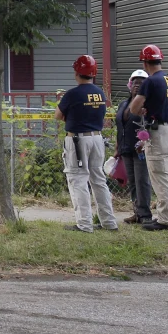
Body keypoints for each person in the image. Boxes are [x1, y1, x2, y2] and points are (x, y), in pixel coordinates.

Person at [55, 54, 118, 232]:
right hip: (97, 139)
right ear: (93, 73)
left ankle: (84, 223)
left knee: (78, 180)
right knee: (98, 180)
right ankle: (109, 222)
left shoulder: (73, 94)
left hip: (77, 141)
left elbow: (58, 115)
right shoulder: (100, 93)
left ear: (77, 72)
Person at [128, 44, 168, 231]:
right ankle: (167, 215)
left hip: (159, 132)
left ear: (145, 63)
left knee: (160, 175)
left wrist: (140, 107)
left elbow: (134, 108)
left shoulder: (150, 81)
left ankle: (166, 219)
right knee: (167, 175)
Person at [116, 70, 153, 225]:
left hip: (140, 149)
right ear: (130, 85)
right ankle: (136, 212)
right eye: (135, 83)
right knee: (132, 181)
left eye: (142, 83)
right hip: (125, 148)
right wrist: (117, 148)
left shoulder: (148, 106)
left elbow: (151, 126)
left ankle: (145, 215)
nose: (137, 86)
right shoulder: (123, 104)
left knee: (142, 180)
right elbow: (120, 127)